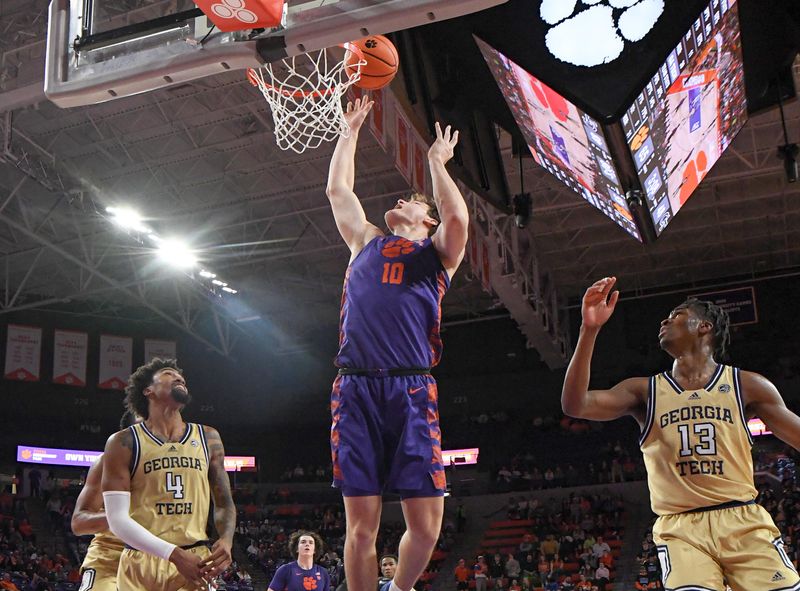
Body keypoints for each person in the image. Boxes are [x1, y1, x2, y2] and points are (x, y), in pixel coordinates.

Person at [562, 276, 800, 590]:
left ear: (704, 327)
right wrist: (589, 329)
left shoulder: (747, 385)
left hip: (742, 520)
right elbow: (575, 405)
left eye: (677, 315)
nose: (665, 319)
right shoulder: (644, 391)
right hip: (681, 527)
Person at [325, 95, 468, 591]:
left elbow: (458, 219)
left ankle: (400, 589)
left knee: (426, 529)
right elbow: (338, 189)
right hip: (356, 389)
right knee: (359, 527)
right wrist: (349, 131)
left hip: (410, 391)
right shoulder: (363, 241)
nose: (401, 199)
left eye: (412, 200)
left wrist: (434, 165)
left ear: (425, 219)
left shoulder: (437, 254)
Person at [101, 358, 236, 590]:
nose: (179, 378)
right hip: (141, 560)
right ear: (148, 390)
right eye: (168, 374)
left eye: (181, 377)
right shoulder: (123, 442)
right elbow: (117, 520)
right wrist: (173, 555)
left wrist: (226, 539)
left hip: (196, 558)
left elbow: (224, 502)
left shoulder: (209, 437)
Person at [70, 411, 138, 591]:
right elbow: (79, 523)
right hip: (111, 555)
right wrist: (122, 517)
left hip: (159, 558)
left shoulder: (174, 464)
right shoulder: (106, 463)